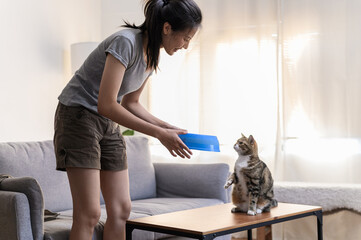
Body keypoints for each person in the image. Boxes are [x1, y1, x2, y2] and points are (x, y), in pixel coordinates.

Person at [53, 0, 202, 239]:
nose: (186, 45)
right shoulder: (126, 42)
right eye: (186, 38)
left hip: (106, 122)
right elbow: (107, 103)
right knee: (89, 214)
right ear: (166, 28)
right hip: (77, 116)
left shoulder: (152, 57)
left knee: (122, 210)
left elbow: (131, 103)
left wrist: (166, 126)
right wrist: (158, 134)